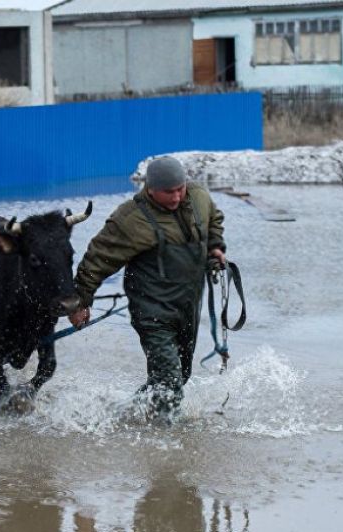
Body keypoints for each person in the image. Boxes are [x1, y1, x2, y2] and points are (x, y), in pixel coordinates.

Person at [69, 156, 226, 418]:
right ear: (150, 189)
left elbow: (214, 220)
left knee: (180, 376)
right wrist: (80, 302)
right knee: (168, 380)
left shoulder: (199, 197)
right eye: (168, 192)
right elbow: (97, 259)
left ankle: (129, 414)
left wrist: (215, 248)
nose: (176, 197)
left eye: (180, 189)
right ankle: (163, 446)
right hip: (152, 311)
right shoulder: (130, 219)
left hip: (188, 305)